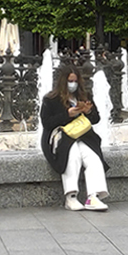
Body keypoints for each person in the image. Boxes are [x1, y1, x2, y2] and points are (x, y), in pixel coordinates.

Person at [40, 66, 109, 211]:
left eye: (75, 81)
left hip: (83, 136)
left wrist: (88, 111)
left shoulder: (84, 96)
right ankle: (70, 196)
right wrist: (67, 114)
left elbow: (96, 119)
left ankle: (93, 196)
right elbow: (47, 123)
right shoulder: (51, 99)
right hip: (61, 139)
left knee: (93, 157)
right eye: (70, 81)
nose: (73, 84)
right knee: (73, 155)